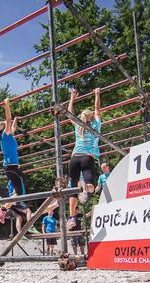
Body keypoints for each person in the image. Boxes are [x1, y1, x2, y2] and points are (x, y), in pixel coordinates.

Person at [66, 88, 101, 229]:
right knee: (92, 187)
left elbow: (69, 112)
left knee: (72, 190)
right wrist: (97, 94)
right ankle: (86, 188)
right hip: (87, 157)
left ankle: (72, 217)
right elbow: (98, 109)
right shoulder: (95, 125)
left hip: (74, 158)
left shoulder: (78, 126)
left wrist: (72, 97)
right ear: (91, 117)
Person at [0, 98, 30, 225]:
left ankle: (3, 208)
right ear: (5, 127)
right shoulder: (6, 134)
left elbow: (13, 125)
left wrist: (16, 120)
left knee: (17, 192)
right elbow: (8, 121)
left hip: (11, 167)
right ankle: (2, 208)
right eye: (8, 124)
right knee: (19, 192)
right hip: (11, 167)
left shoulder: (8, 136)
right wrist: (6, 104)